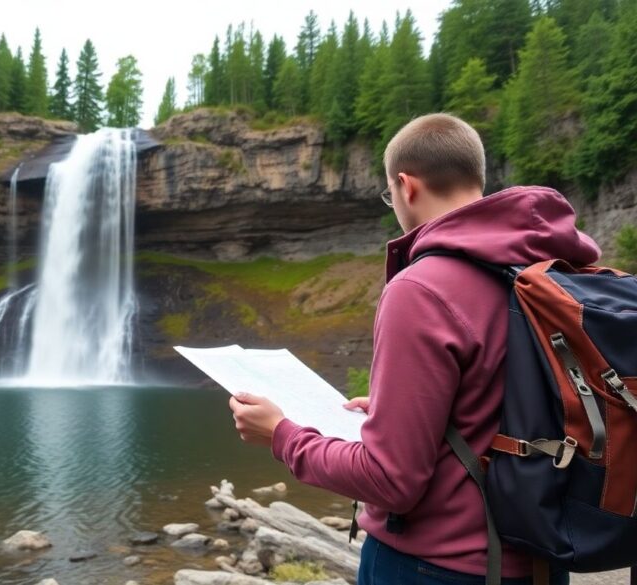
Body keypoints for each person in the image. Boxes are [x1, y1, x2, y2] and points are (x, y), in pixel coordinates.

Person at [229, 113, 598, 584]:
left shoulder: (421, 288)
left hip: (435, 568)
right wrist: (396, 412)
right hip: (541, 562)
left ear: (406, 186)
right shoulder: (550, 273)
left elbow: (391, 481)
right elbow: (504, 403)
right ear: (476, 179)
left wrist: (281, 435)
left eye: (389, 194)